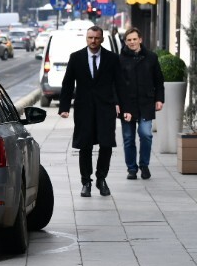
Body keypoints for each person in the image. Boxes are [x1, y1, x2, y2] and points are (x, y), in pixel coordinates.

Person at [59, 25, 128, 197]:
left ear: (102, 39)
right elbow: (67, 83)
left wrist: (126, 108)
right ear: (86, 38)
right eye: (90, 38)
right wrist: (64, 107)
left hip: (106, 109)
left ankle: (101, 178)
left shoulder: (112, 58)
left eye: (96, 38)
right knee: (85, 146)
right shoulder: (76, 58)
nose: (93, 41)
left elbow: (120, 84)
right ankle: (86, 182)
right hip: (84, 109)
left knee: (106, 144)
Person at [118, 27, 165, 180]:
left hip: (146, 103)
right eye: (129, 40)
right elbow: (115, 84)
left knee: (146, 134)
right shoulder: (120, 59)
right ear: (125, 42)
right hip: (127, 105)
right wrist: (117, 104)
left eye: (134, 39)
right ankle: (132, 168)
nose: (132, 42)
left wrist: (159, 99)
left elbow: (159, 81)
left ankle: (144, 165)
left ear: (140, 39)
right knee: (128, 138)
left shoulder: (151, 57)